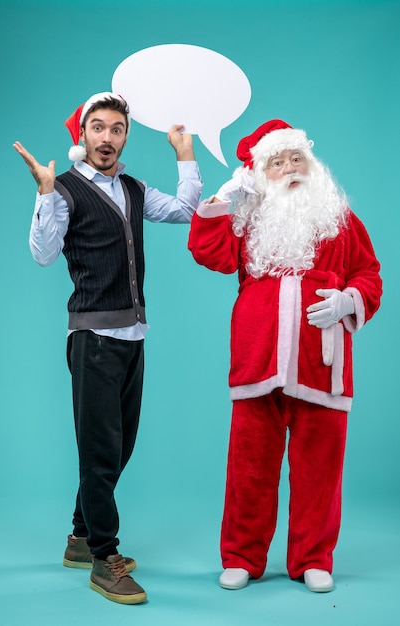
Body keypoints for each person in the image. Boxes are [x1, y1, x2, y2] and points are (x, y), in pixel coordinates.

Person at [13, 91, 202, 605]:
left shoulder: (135, 188)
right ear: (83, 136)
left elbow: (188, 209)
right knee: (99, 454)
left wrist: (184, 151)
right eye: (98, 127)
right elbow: (43, 255)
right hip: (92, 339)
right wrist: (44, 193)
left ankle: (78, 538)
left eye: (116, 129)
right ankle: (104, 557)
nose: (107, 137)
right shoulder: (67, 190)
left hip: (133, 336)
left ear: (124, 138)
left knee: (118, 449)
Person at [188, 119, 382, 593]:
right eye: (277, 161)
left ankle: (314, 558)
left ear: (311, 165)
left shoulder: (339, 218)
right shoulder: (248, 221)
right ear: (260, 174)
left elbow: (369, 274)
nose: (291, 167)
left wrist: (348, 300)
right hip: (258, 358)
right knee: (249, 468)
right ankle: (241, 557)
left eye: (297, 157)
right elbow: (206, 250)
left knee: (320, 467)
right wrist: (223, 196)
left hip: (322, 363)